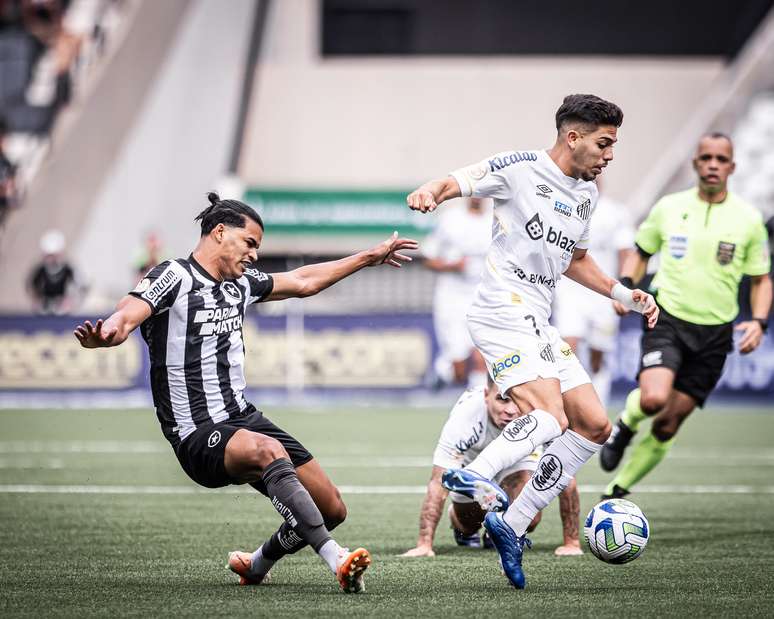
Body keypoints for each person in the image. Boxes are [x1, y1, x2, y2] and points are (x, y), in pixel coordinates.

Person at [73, 192, 418, 593]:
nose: (254, 255)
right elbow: (128, 311)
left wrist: (367, 258)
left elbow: (303, 281)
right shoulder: (175, 275)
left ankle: (257, 564)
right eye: (250, 243)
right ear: (220, 232)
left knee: (332, 508)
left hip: (242, 417)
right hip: (197, 433)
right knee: (269, 451)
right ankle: (336, 559)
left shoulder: (240, 284)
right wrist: (109, 333)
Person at [406, 93, 659, 589]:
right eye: (604, 144)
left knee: (594, 425)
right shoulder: (520, 168)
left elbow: (575, 260)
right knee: (550, 417)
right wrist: (430, 192)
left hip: (538, 320)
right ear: (573, 137)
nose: (610, 155)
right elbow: (455, 181)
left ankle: (512, 523)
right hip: (501, 310)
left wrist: (621, 293)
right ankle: (476, 473)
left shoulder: (586, 195)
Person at [599, 133, 772, 498]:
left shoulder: (748, 219)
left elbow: (761, 279)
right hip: (668, 319)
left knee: (667, 424)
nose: (712, 165)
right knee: (653, 399)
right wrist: (626, 286)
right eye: (706, 158)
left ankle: (616, 491)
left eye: (720, 159)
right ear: (695, 163)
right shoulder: (669, 207)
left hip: (715, 334)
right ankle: (625, 426)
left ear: (732, 167)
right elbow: (641, 252)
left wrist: (759, 322)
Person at [400, 377, 582, 559]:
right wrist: (424, 544)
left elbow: (565, 474)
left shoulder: (544, 409)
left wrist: (571, 542)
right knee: (468, 524)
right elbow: (439, 481)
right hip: (474, 461)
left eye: (517, 400)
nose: (510, 410)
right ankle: (458, 521)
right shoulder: (467, 415)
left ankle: (494, 531)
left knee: (530, 519)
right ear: (486, 395)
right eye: (502, 399)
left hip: (518, 459)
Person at [552, 187, 634, 407]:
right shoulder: (563, 204)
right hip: (569, 292)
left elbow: (625, 252)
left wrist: (624, 290)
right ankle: (571, 410)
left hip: (603, 294)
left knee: (598, 357)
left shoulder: (616, 212)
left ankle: (598, 406)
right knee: (567, 349)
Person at [423, 197, 491, 388]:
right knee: (459, 369)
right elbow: (428, 258)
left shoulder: (498, 218)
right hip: (452, 298)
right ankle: (444, 371)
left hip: (484, 296)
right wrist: (451, 266)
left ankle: (479, 402)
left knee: (481, 358)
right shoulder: (450, 219)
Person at [27, 229, 80, 314]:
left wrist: (69, 300)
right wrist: (37, 300)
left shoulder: (68, 269)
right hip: (44, 307)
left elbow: (77, 286)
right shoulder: (41, 270)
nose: (51, 259)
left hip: (62, 308)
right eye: (49, 256)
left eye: (53, 256)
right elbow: (32, 286)